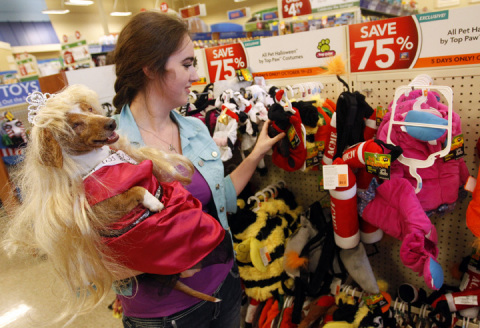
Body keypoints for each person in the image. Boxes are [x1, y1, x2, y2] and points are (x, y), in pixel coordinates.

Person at [111, 11, 285, 328]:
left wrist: (256, 153)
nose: (196, 76)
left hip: (225, 286)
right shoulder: (111, 148)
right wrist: (161, 265)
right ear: (150, 68)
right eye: (187, 64)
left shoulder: (194, 128)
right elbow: (94, 253)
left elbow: (219, 197)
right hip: (164, 314)